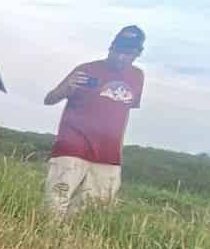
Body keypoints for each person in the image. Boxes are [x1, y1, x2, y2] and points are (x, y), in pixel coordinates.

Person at [42, 25, 146, 219]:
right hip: (71, 150)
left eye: (128, 53)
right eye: (118, 51)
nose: (121, 57)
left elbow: (124, 114)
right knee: (54, 209)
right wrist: (67, 88)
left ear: (138, 53)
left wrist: (119, 155)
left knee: (90, 215)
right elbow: (49, 99)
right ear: (111, 47)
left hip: (108, 157)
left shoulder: (138, 77)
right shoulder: (86, 69)